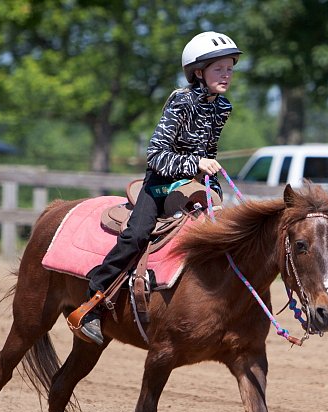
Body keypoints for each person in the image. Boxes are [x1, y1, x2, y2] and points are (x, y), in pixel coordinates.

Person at [78, 31, 242, 345]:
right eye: (219, 69)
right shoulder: (181, 101)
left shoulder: (223, 108)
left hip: (194, 184)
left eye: (230, 68)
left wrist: (213, 185)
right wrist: (195, 164)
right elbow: (156, 155)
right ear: (199, 72)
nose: (227, 75)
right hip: (159, 185)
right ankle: (92, 302)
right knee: (137, 234)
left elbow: (210, 152)